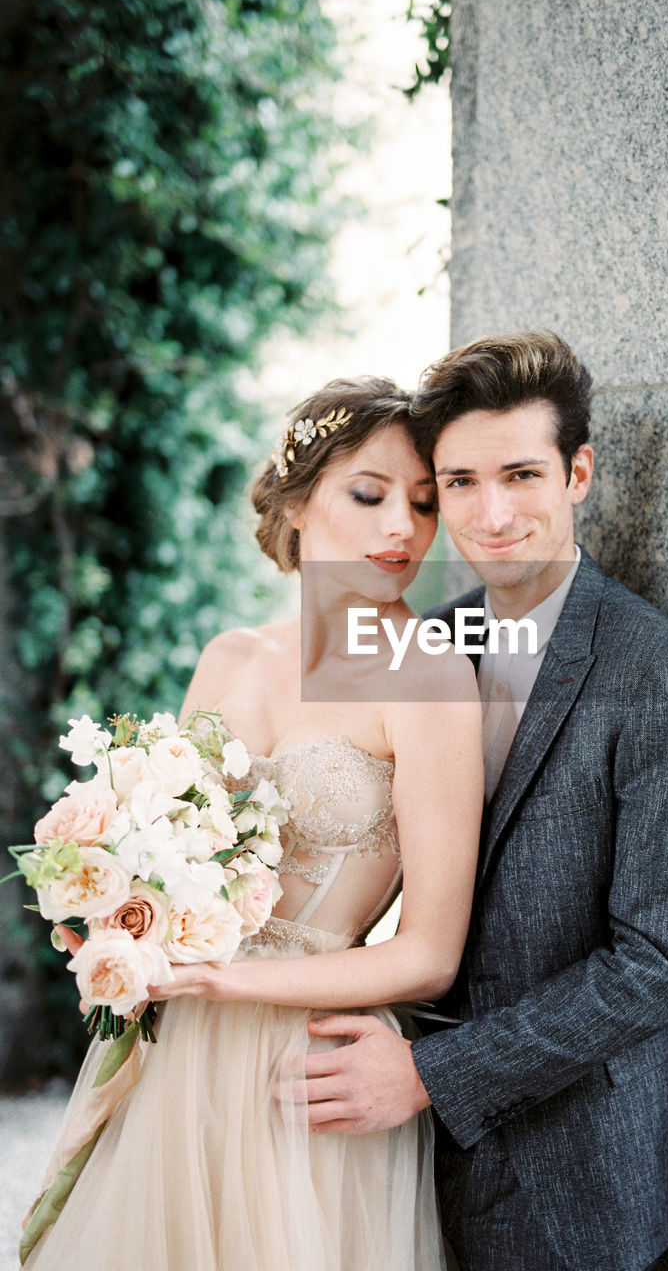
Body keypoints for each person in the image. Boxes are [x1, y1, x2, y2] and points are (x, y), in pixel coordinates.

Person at [301, 332, 668, 1271]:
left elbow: (662, 967)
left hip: (572, 1175)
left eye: (519, 474)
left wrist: (428, 1077)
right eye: (458, 482)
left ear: (577, 473)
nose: (490, 513)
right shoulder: (420, 644)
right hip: (397, 1163)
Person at [23, 376, 484, 1271]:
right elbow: (158, 852)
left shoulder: (427, 675)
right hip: (176, 1044)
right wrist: (110, 920)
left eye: (424, 504)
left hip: (310, 1062)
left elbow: (430, 953)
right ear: (299, 499)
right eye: (370, 493)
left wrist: (219, 984)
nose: (402, 529)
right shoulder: (230, 656)